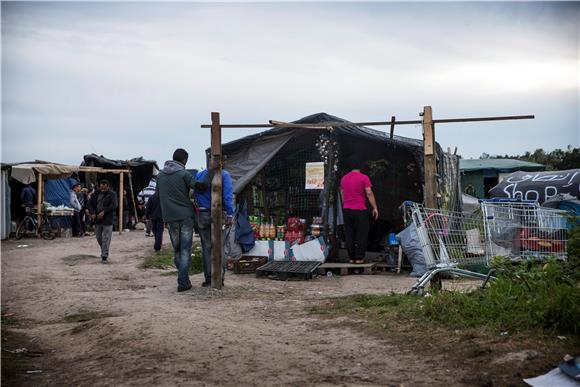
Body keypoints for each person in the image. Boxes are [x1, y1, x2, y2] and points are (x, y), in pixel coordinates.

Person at [157, 148, 207, 292]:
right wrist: (209, 176)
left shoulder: (160, 176)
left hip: (170, 218)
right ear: (184, 160)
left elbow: (159, 196)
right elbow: (199, 187)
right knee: (185, 250)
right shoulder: (184, 174)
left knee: (177, 250)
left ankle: (183, 278)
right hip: (185, 217)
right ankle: (183, 281)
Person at [195, 157, 234, 287]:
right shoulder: (224, 175)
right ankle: (219, 277)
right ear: (221, 161)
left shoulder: (199, 174)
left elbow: (196, 194)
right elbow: (228, 197)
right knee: (219, 246)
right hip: (218, 213)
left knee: (206, 247)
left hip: (202, 214)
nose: (225, 163)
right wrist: (230, 214)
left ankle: (208, 277)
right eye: (225, 160)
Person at [340, 167, 379, 264]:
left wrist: (346, 204)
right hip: (360, 209)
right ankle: (359, 258)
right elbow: (369, 192)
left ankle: (351, 258)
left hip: (346, 209)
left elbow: (342, 193)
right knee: (362, 234)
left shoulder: (344, 178)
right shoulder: (364, 177)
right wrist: (374, 207)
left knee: (349, 234)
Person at [88, 179, 118, 264]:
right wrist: (93, 213)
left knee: (106, 238)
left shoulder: (112, 194)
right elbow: (89, 204)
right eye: (101, 187)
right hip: (97, 219)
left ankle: (104, 255)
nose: (103, 189)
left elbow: (114, 205)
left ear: (107, 187)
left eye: (104, 188)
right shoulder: (96, 193)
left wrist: (104, 211)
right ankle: (104, 249)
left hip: (108, 219)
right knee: (98, 237)